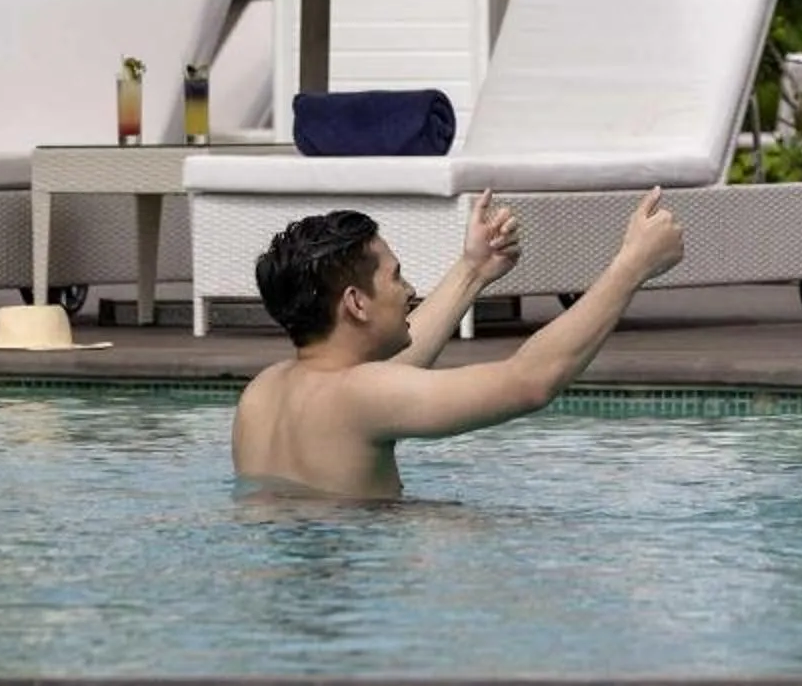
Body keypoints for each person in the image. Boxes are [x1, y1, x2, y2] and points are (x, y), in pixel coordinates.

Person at [231, 188, 684, 499]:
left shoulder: (264, 390)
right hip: (359, 596)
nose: (409, 290)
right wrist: (633, 266)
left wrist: (473, 269)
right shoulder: (362, 395)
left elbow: (389, 372)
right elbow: (529, 381)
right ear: (356, 303)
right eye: (395, 276)